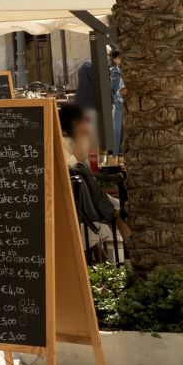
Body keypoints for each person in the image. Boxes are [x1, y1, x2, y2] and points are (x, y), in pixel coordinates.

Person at [59, 102, 123, 260]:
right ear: (74, 123)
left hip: (88, 197)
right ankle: (117, 250)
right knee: (115, 208)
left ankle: (113, 252)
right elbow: (74, 166)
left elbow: (91, 163)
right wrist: (81, 136)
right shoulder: (62, 142)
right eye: (83, 120)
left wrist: (90, 136)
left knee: (116, 207)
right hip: (78, 200)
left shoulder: (72, 139)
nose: (87, 123)